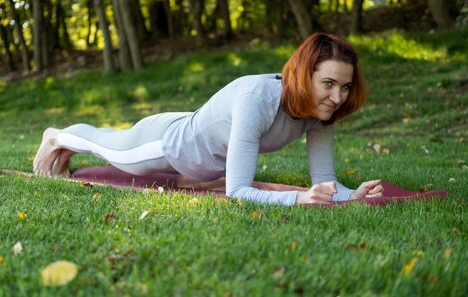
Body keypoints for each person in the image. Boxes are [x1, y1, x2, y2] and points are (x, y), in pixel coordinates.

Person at [33, 32, 384, 205]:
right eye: (328, 84)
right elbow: (238, 191)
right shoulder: (257, 100)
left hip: (198, 138)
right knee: (107, 145)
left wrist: (352, 196)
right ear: (304, 75)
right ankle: (56, 135)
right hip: (167, 144)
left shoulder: (321, 110)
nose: (338, 97)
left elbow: (324, 179)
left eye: (345, 86)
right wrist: (297, 198)